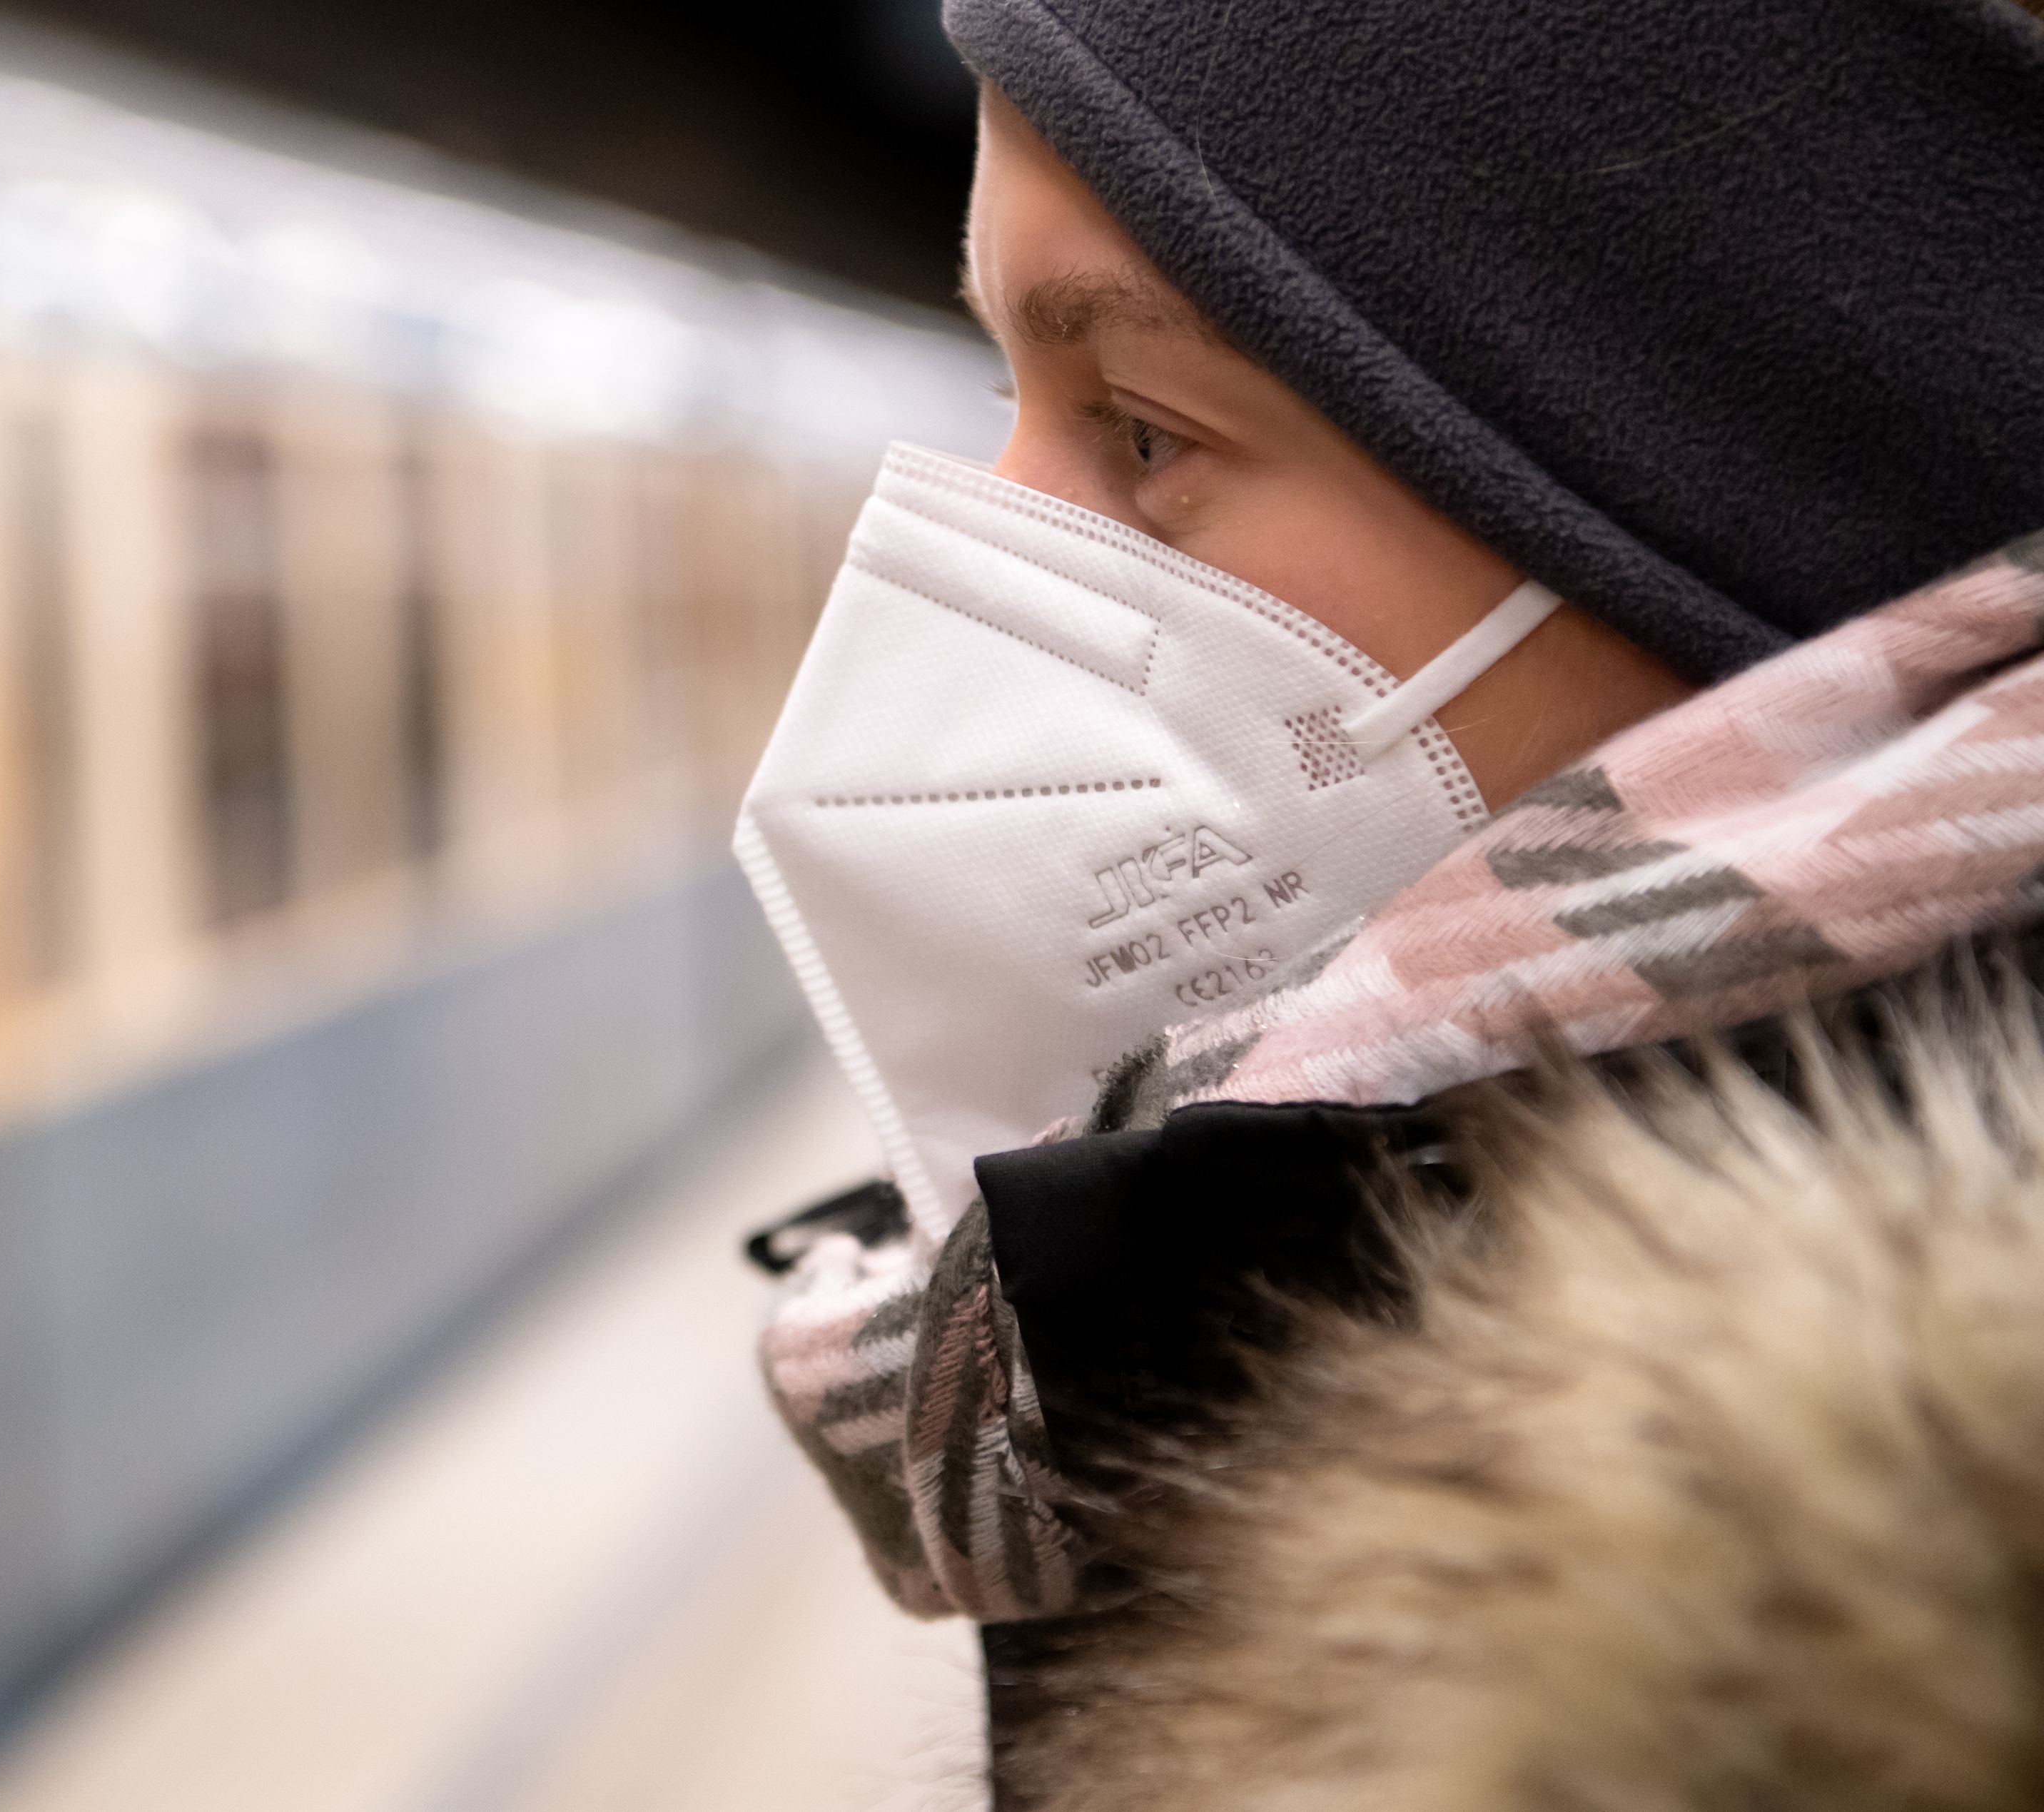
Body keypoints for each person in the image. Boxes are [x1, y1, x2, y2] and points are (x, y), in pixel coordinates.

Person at [734, 1, 2044, 1805]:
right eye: (1001, 400)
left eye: (1134, 429)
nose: (971, 568)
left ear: (1706, 513)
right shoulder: (1212, 1251)